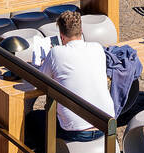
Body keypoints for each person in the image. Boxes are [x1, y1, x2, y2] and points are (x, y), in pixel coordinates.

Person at [31, 8, 115, 142]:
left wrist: (45, 62)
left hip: (75, 130)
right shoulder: (97, 48)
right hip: (106, 124)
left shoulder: (56, 53)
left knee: (33, 119)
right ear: (81, 32)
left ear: (61, 36)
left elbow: (40, 82)